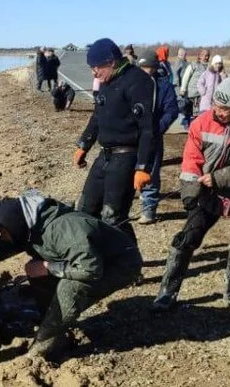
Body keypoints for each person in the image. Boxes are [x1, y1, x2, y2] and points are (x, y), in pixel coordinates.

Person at [0, 190, 142, 359]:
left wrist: (47, 267)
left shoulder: (63, 229)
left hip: (119, 264)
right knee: (37, 271)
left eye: (3, 232)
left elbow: (90, 269)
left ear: (14, 224)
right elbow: (2, 247)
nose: (2, 236)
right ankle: (50, 319)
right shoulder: (28, 227)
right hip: (86, 262)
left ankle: (44, 345)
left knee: (70, 287)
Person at [152, 77, 230, 312]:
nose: (217, 111)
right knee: (186, 238)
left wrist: (219, 177)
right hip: (208, 192)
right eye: (216, 105)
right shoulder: (202, 122)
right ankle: (166, 294)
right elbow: (191, 159)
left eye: (224, 109)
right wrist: (190, 191)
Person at [73, 38, 156, 243]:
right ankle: (93, 257)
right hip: (105, 155)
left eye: (96, 67)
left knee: (113, 217)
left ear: (111, 62)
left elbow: (148, 129)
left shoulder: (138, 81)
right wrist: (83, 145)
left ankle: (130, 266)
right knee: (85, 209)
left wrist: (143, 167)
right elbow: (97, 116)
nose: (93, 73)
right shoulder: (106, 82)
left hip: (127, 157)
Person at [137, 49, 180, 224]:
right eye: (142, 67)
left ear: (155, 67)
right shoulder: (131, 84)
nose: (145, 71)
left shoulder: (164, 86)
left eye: (148, 67)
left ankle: (149, 208)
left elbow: (172, 110)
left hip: (153, 136)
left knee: (151, 171)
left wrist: (158, 128)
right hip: (131, 135)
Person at [180, 49, 210, 126]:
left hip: (202, 94)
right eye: (205, 55)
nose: (206, 57)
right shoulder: (193, 65)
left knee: (198, 112)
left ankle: (196, 127)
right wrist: (183, 89)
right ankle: (187, 124)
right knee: (188, 111)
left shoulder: (210, 67)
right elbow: (186, 77)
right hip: (192, 92)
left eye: (208, 56)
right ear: (199, 56)